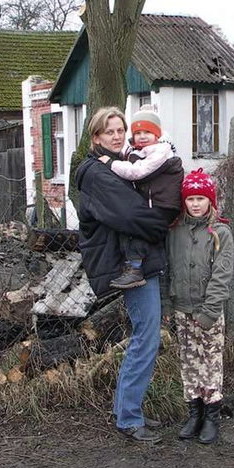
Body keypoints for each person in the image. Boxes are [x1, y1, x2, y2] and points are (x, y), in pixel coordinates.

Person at [75, 106, 168, 444]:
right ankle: (129, 416)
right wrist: (165, 223)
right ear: (95, 137)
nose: (116, 135)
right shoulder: (98, 174)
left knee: (146, 335)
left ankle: (129, 409)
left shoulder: (119, 166)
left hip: (140, 263)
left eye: (120, 129)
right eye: (109, 131)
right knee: (146, 336)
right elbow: (132, 216)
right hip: (129, 268)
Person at [163, 168, 234, 444]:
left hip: (208, 311)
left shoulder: (220, 232)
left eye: (200, 199)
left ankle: (212, 416)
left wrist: (210, 311)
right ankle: (194, 413)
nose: (195, 204)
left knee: (210, 363)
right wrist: (168, 305)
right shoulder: (175, 231)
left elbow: (223, 274)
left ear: (210, 201)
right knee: (189, 363)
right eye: (190, 199)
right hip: (182, 308)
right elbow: (167, 268)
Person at [101, 107, 183, 289]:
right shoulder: (137, 150)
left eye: (148, 132)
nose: (142, 136)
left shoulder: (160, 151)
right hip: (153, 202)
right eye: (138, 133)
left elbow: (137, 172)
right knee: (132, 225)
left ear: (157, 134)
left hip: (164, 204)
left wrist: (111, 163)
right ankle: (134, 266)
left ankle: (136, 270)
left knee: (139, 228)